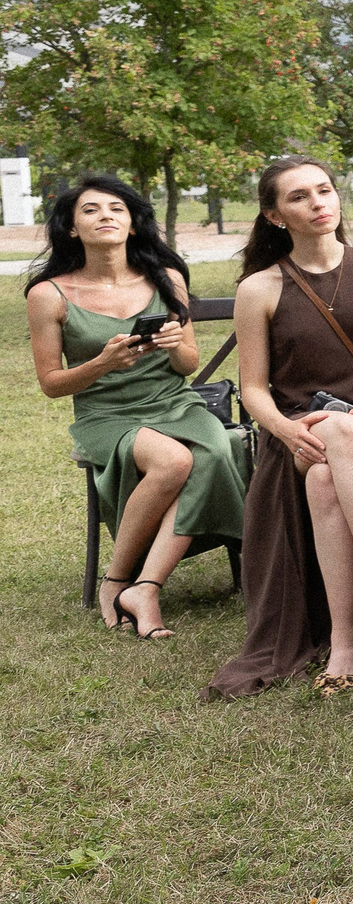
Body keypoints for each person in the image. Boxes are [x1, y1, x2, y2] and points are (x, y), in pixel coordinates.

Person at [211, 156, 353, 699]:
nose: (318, 204)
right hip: (297, 434)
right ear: (275, 215)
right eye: (299, 197)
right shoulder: (259, 287)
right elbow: (254, 389)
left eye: (325, 191)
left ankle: (347, 640)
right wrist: (283, 430)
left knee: (328, 474)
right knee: (331, 442)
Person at [26, 175, 249, 639]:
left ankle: (143, 587)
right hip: (106, 416)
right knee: (174, 459)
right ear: (71, 228)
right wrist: (103, 363)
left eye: (116, 208)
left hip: (174, 403)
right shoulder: (48, 294)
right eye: (90, 210)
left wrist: (172, 344)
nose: (105, 215)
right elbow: (51, 384)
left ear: (131, 224)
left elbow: (187, 363)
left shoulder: (166, 279)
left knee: (215, 451)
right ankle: (118, 578)